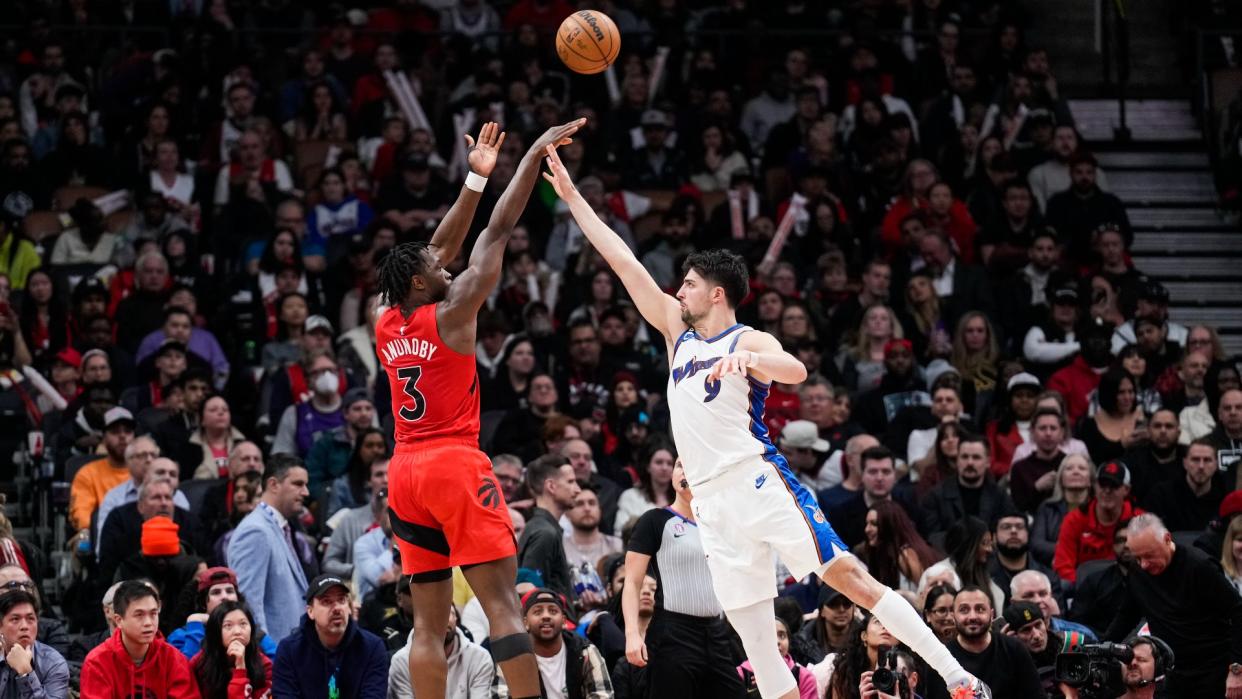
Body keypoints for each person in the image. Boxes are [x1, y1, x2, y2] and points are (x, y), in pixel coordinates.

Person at [543, 145, 986, 699]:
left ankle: (958, 676)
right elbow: (621, 260)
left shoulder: (744, 337)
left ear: (716, 292)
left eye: (688, 284)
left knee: (847, 577)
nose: (678, 291)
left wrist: (750, 361)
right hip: (710, 503)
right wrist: (572, 197)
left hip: (756, 480)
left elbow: (795, 369)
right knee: (753, 638)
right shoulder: (675, 332)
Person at [375, 119, 582, 699]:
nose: (449, 267)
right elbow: (497, 230)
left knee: (426, 622)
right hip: (453, 463)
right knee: (501, 608)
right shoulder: (456, 310)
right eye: (438, 271)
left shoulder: (385, 316)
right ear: (422, 283)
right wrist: (530, 159)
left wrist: (474, 176)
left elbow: (437, 249)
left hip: (405, 473)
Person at [623, 460, 745, 697]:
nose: (685, 471)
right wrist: (632, 634)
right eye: (680, 465)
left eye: (693, 463)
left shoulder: (720, 526)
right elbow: (632, 582)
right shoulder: (655, 520)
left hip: (716, 631)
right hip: (672, 632)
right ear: (672, 476)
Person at [1105, 513, 1242, 697]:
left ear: (1167, 539)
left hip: (1213, 671)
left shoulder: (1199, 566)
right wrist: (1102, 647)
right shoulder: (1138, 572)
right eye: (1137, 558)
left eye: (1149, 555)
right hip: (1170, 674)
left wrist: (1236, 670)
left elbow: (1238, 611)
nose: (1144, 564)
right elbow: (1126, 616)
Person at [226, 454, 311, 644]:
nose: (305, 492)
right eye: (298, 484)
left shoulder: (277, 527)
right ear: (273, 485)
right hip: (275, 656)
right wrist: (267, 656)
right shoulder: (255, 531)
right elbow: (249, 603)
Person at [272, 575, 389, 698]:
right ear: (310, 611)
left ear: (349, 608)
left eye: (342, 600)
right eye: (326, 602)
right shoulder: (289, 650)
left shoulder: (372, 647)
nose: (337, 608)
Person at [80, 580, 197, 698]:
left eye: (153, 613)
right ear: (119, 620)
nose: (148, 623)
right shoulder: (97, 662)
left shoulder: (173, 659)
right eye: (139, 615)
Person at [922, 586, 1042, 699]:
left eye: (980, 609)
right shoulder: (941, 659)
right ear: (954, 616)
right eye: (964, 610)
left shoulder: (1014, 649)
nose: (972, 616)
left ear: (991, 614)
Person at [1053, 459, 1143, 583]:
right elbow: (1063, 566)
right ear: (1095, 486)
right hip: (1085, 589)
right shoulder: (1074, 520)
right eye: (1103, 484)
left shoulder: (1141, 520)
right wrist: (1088, 588)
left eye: (1114, 485)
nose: (1107, 491)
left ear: (1126, 489)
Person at [169, 567, 278, 659]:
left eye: (230, 591)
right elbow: (186, 672)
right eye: (216, 593)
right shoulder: (182, 635)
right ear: (203, 603)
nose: (225, 597)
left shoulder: (254, 633)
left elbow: (277, 668)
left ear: (237, 598)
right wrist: (195, 623)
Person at [388, 604, 494, 699]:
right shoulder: (401, 661)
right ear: (419, 621)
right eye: (436, 615)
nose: (443, 620)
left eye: (449, 613)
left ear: (456, 618)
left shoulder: (479, 657)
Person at [921, 435, 1016, 534]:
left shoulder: (1000, 497)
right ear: (957, 460)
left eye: (976, 457)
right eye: (964, 457)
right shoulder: (935, 497)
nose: (970, 463)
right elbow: (933, 537)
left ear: (988, 462)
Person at [518, 455, 581, 605]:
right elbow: (530, 592)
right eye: (571, 482)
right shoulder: (545, 533)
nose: (578, 489)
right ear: (551, 486)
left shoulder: (542, 528)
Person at [189, 601, 272, 699]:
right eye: (228, 625)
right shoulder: (199, 663)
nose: (237, 632)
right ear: (216, 632)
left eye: (243, 624)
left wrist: (240, 669)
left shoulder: (264, 665)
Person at [1142, 439, 1227, 532]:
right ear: (1185, 463)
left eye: (1207, 460)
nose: (1201, 466)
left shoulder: (1225, 499)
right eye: (1195, 459)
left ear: (1216, 465)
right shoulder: (1161, 496)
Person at [0, 590, 69, 698]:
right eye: (15, 619)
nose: (24, 626)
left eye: (30, 619)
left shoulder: (54, 663)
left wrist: (26, 673)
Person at [738, 618, 817, 699]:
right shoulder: (740, 674)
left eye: (782, 636)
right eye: (769, 636)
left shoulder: (805, 676)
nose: (777, 641)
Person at [563, 486, 623, 574]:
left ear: (600, 510)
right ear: (567, 513)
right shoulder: (560, 548)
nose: (587, 509)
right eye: (579, 504)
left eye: (592, 503)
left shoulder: (617, 546)